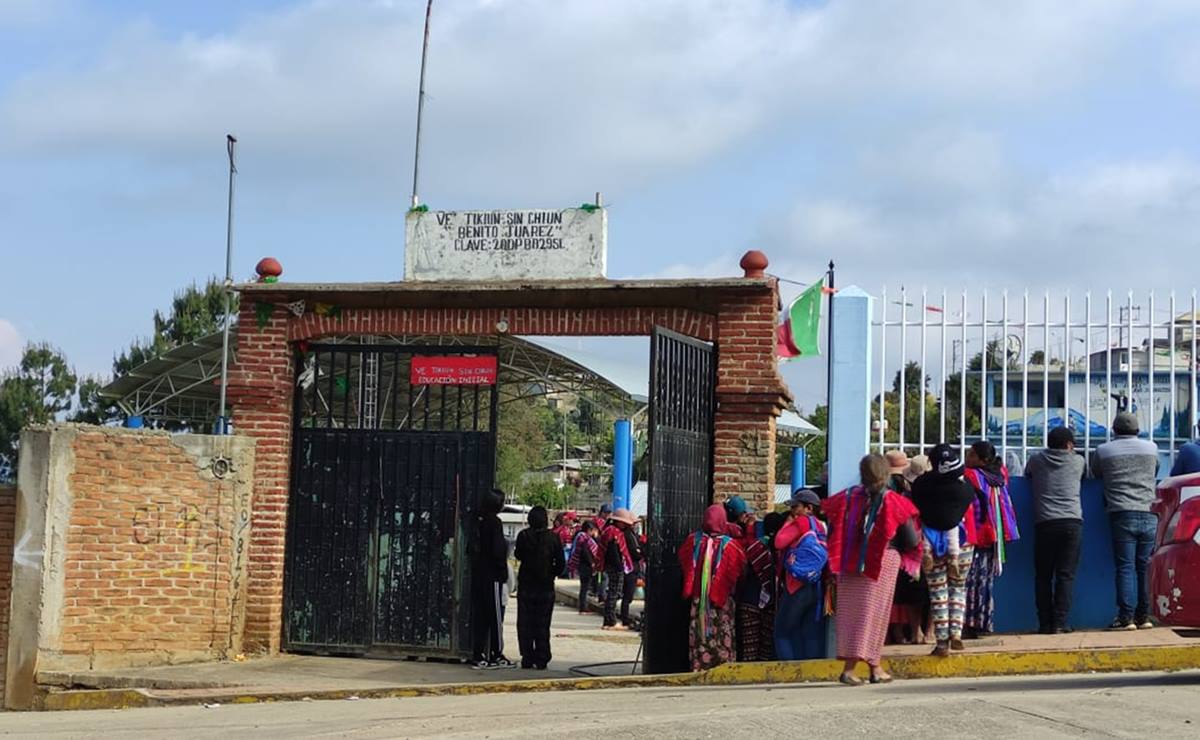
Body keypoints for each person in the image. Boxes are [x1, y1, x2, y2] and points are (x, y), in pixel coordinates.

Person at [824, 454, 921, 685]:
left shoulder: (845, 499)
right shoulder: (893, 501)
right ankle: (858, 669)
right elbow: (910, 539)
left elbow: (831, 531)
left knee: (851, 616)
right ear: (886, 473)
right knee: (874, 617)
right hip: (881, 563)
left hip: (848, 564)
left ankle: (872, 667)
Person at [1091, 412, 1160, 630]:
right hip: (1149, 511)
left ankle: (1125, 617)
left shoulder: (1103, 450)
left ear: (1114, 430)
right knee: (1144, 567)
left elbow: (1095, 472)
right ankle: (1145, 616)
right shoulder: (1152, 448)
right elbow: (1156, 470)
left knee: (1125, 567)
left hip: (1121, 513)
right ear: (1138, 431)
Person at [912, 444, 978, 657]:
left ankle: (941, 642)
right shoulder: (965, 486)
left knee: (938, 592)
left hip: (930, 544)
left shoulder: (922, 485)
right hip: (963, 542)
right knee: (958, 589)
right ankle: (956, 632)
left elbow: (916, 505)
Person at [1025, 427, 1086, 634]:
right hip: (1072, 523)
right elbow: (1086, 476)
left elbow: (1027, 475)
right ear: (1069, 445)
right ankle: (1060, 623)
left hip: (1045, 523)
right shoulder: (1078, 461)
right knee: (1065, 575)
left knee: (1042, 576)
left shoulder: (1035, 460)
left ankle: (1044, 624)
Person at [678, 504, 747, 670]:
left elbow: (684, 563)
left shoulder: (693, 541)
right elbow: (740, 571)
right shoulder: (731, 546)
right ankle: (724, 667)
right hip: (722, 601)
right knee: (723, 632)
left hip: (699, 599)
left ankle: (700, 665)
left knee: (700, 633)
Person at [962, 440, 1020, 638]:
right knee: (986, 581)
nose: (967, 457)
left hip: (977, 533)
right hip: (996, 534)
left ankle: (969, 623)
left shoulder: (970, 476)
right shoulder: (1000, 474)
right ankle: (984, 622)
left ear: (981, 459)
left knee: (969, 581)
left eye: (970, 454)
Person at [773, 489, 828, 661]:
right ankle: (810, 671)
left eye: (796, 507)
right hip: (816, 584)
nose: (792, 511)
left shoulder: (802, 522)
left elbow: (778, 542)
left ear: (809, 508)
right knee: (811, 631)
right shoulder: (822, 526)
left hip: (796, 585)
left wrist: (788, 523)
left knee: (782, 631)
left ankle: (789, 670)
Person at [514, 506, 565, 670]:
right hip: (545, 586)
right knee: (543, 624)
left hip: (526, 586)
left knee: (525, 623)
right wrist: (552, 573)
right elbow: (561, 563)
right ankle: (542, 657)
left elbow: (518, 555)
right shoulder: (554, 538)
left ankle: (527, 656)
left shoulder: (523, 536)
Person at [469, 489, 516, 669]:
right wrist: (503, 572)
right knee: (495, 618)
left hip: (479, 575)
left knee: (481, 618)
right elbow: (498, 551)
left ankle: (478, 654)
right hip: (493, 577)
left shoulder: (478, 521)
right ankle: (497, 654)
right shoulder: (494, 523)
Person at [734, 504, 776, 661]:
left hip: (749, 600)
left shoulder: (749, 547)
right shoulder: (776, 547)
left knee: (749, 646)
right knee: (766, 645)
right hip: (770, 602)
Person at [600, 508, 640, 631]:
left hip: (613, 566)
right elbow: (613, 552)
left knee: (613, 593)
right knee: (614, 593)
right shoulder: (613, 533)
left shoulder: (611, 531)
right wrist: (620, 567)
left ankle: (608, 620)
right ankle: (610, 620)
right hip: (615, 567)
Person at [568, 520, 601, 613]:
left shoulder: (581, 537)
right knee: (585, 587)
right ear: (589, 529)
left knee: (584, 587)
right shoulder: (585, 539)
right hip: (585, 566)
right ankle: (583, 607)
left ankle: (583, 606)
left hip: (582, 565)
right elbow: (586, 552)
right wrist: (592, 563)